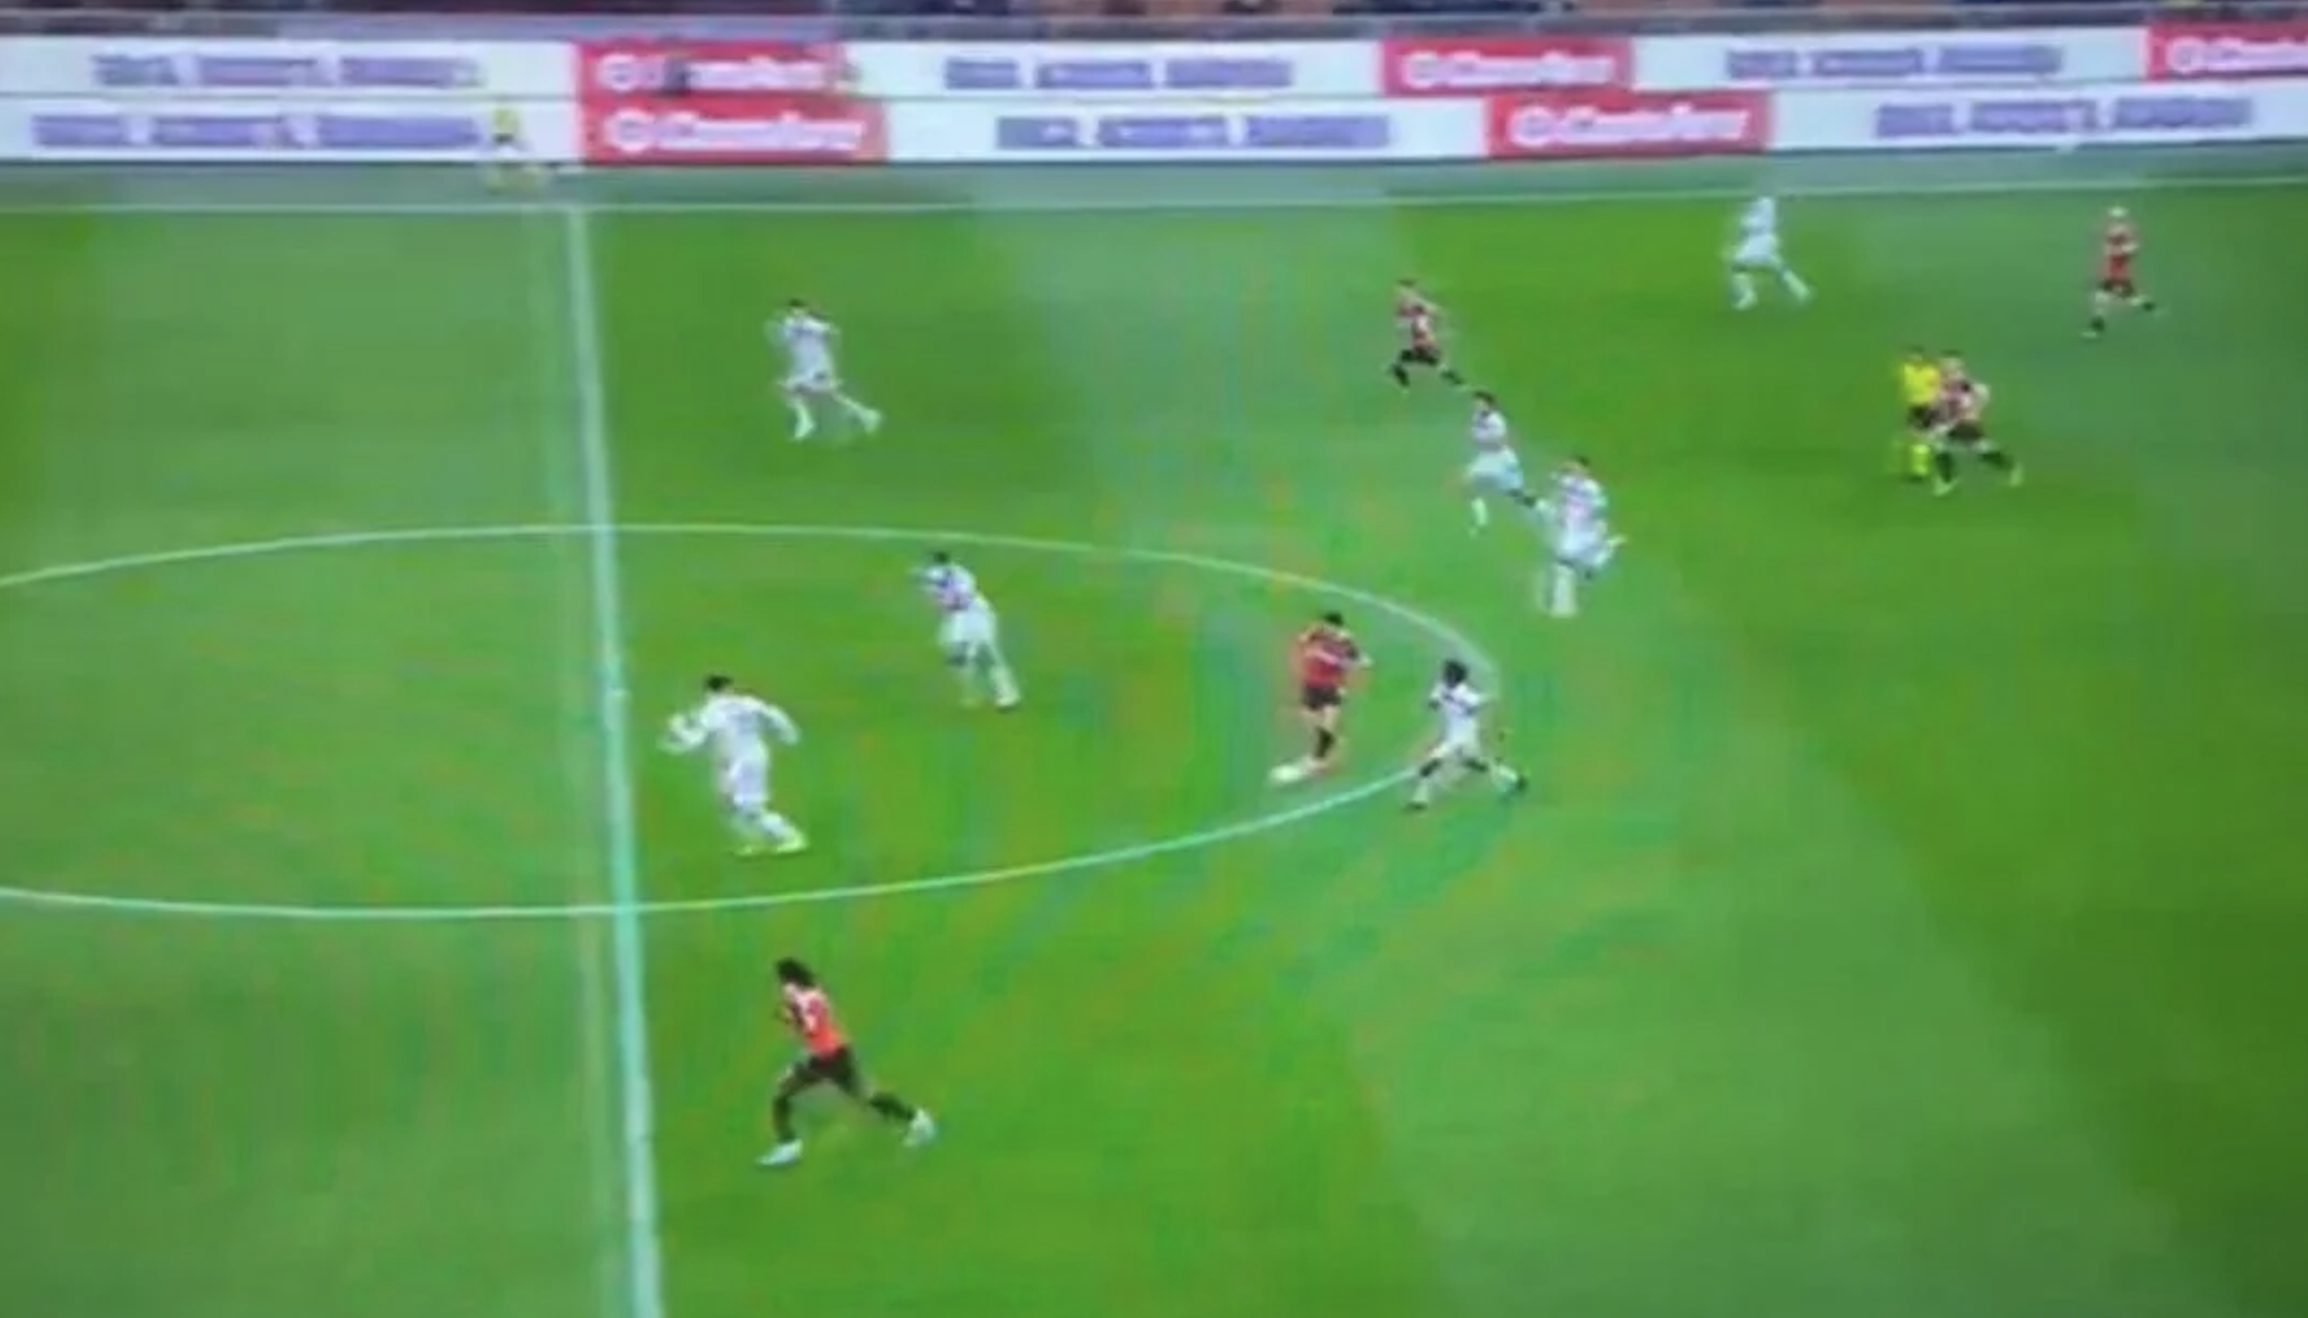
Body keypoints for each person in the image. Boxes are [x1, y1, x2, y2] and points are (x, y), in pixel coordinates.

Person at [760, 958, 936, 1169]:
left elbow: (810, 1028)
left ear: (790, 981)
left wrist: (789, 1015)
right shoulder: (815, 993)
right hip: (835, 1054)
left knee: (782, 1095)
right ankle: (917, 1120)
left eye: (782, 982)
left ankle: (789, 1146)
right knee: (866, 1097)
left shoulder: (802, 1000)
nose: (781, 988)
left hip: (825, 1059)